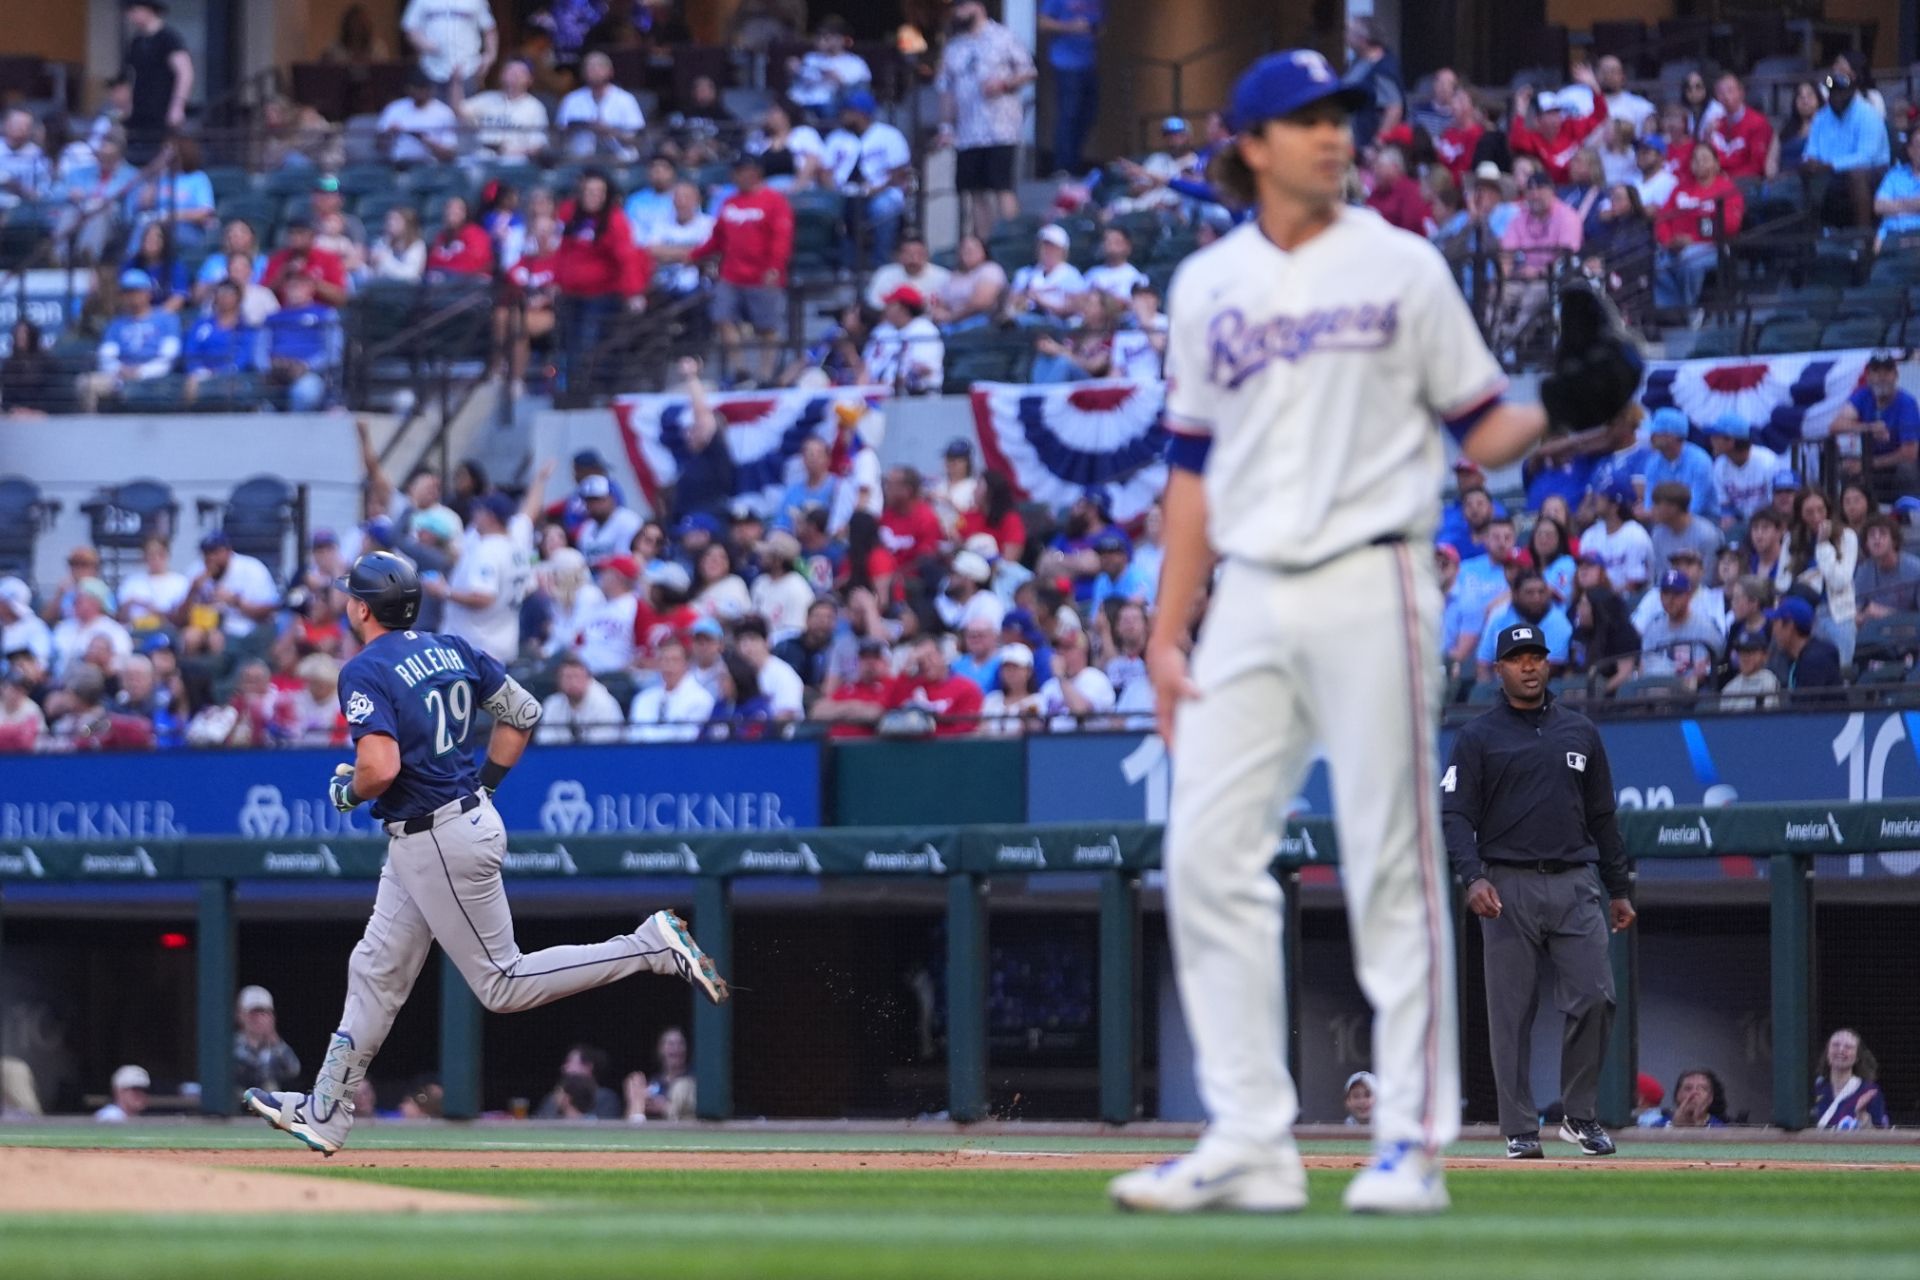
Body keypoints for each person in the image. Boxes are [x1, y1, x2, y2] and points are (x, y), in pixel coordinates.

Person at [1109, 50, 1552, 1219]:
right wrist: (1167, 635)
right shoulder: (1205, 281)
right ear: (1251, 145)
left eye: (1342, 117)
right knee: (1202, 851)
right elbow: (1191, 471)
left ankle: (1409, 1142)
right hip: (1248, 586)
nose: (1334, 136)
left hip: (1375, 573)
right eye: (1306, 119)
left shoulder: (1404, 263)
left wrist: (1572, 400)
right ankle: (1250, 1136)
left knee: (1392, 859)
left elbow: (1484, 424)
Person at [244, 552, 728, 1156]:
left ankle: (648, 947)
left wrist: (348, 788)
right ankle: (326, 1108)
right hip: (437, 828)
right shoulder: (452, 647)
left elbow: (379, 767)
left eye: (351, 595)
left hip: (437, 835)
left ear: (362, 608)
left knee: (503, 983)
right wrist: (485, 787)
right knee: (374, 971)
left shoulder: (365, 668)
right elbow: (523, 713)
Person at [1444, 623, 1634, 1159]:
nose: (1529, 666)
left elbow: (1602, 815)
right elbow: (1456, 814)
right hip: (1506, 884)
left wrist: (1617, 887)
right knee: (1510, 1014)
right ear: (1499, 669)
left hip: (1576, 880)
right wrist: (1473, 875)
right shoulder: (1478, 736)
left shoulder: (1580, 731)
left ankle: (1579, 1116)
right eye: (1517, 658)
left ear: (1549, 665)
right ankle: (1519, 1128)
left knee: (1596, 995)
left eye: (1537, 657)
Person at [936, 0, 1036, 240]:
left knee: (1002, 186)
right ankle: (986, 245)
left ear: (977, 6)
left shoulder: (1003, 37)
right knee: (975, 190)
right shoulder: (954, 47)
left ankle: (1013, 241)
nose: (958, 13)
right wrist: (946, 126)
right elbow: (946, 89)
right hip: (968, 133)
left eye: (962, 7)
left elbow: (1029, 71)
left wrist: (1004, 84)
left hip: (1000, 128)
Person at [692, 154, 793, 388]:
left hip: (763, 275)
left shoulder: (774, 201)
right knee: (722, 317)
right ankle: (740, 370)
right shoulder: (730, 203)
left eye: (744, 171)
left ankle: (766, 374)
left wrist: (775, 267)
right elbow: (717, 239)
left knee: (766, 327)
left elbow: (782, 237)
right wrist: (694, 256)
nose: (739, 176)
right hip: (731, 274)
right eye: (736, 172)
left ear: (755, 172)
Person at [1653, 145, 1742, 314]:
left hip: (1713, 248)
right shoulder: (1681, 189)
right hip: (1675, 246)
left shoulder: (1727, 189)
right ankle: (1678, 309)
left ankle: (1689, 310)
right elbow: (1662, 219)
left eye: (1705, 158)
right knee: (1654, 263)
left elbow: (1730, 225)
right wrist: (1669, 241)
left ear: (1716, 164)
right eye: (1695, 159)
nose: (1699, 162)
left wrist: (1693, 240)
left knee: (1689, 260)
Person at [77, 269, 182, 412]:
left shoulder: (166, 319)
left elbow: (169, 355)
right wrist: (119, 370)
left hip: (155, 378)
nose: (131, 297)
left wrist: (141, 372)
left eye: (136, 291)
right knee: (86, 383)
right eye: (126, 292)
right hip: (120, 377)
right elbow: (106, 355)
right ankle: (92, 429)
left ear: (148, 293)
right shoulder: (116, 324)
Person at [1803, 74, 1890, 229]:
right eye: (1832, 92)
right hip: (1829, 172)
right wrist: (1810, 161)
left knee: (1856, 175)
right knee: (1802, 170)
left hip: (1872, 172)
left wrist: (1831, 165)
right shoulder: (1821, 117)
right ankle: (1811, 238)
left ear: (1852, 92)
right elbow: (1811, 151)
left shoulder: (1868, 114)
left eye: (1841, 92)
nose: (1835, 96)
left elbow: (1866, 157)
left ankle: (1863, 238)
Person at [1829, 352, 1920, 501]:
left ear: (1895, 375)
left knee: (1906, 468)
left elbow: (1909, 453)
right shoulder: (1863, 396)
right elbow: (1835, 425)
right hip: (1873, 463)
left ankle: (1910, 513)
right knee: (1847, 468)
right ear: (1869, 376)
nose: (1881, 377)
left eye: (1887, 371)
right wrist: (1868, 427)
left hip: (1897, 465)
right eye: (1876, 371)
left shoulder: (1907, 403)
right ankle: (1854, 515)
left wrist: (1867, 464)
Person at [120, 2, 192, 166]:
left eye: (134, 10)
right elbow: (132, 76)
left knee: (160, 157)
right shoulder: (137, 41)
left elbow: (185, 72)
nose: (131, 16)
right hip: (140, 113)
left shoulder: (168, 38)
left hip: (162, 111)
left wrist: (178, 106)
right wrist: (127, 106)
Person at [1038, 0, 1102, 176]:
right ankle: (1063, 166)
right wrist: (1070, 27)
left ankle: (1075, 161)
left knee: (1088, 114)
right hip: (1065, 63)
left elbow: (1098, 26)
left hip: (1089, 62)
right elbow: (1043, 22)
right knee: (1069, 114)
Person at [556, 51, 647, 162]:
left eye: (599, 67)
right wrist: (581, 127)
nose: (595, 71)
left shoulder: (625, 99)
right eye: (590, 68)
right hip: (580, 160)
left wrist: (609, 131)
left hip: (620, 160)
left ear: (610, 72)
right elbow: (558, 135)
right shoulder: (571, 100)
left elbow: (638, 140)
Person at [629, 636, 717, 742]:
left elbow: (687, 739)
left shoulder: (701, 700)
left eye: (675, 660)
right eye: (664, 660)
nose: (668, 666)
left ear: (686, 664)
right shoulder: (643, 699)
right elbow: (632, 737)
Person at [861, 286, 944, 394]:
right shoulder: (881, 331)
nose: (886, 307)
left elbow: (923, 370)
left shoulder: (925, 330)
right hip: (876, 393)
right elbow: (865, 367)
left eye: (891, 304)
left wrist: (890, 386)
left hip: (917, 396)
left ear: (903, 308)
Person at [1813, 1027, 1890, 1130]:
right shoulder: (1814, 1088)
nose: (1841, 1050)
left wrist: (1862, 1116)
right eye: (1835, 1045)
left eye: (1848, 1047)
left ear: (1857, 1056)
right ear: (1827, 1052)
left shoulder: (1870, 1091)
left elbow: (1883, 1139)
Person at [379, 69, 461, 165]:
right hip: (399, 166)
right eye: (416, 87)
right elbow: (379, 147)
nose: (420, 92)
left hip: (431, 167)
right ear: (408, 88)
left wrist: (426, 140)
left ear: (431, 89)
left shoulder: (444, 112)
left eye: (423, 88)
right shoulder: (394, 108)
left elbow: (450, 155)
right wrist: (389, 133)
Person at [232, 985, 301, 1097]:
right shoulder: (231, 1045)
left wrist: (275, 1041)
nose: (259, 1019)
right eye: (253, 1014)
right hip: (237, 1106)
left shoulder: (277, 1048)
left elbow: (293, 1070)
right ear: (240, 1015)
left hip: (268, 1107)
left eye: (264, 1014)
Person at [1767, 595, 1842, 696]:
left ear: (1789, 627)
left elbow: (1807, 708)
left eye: (1776, 623)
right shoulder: (1797, 658)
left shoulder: (1815, 660)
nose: (1773, 630)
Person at [1856, 515, 1920, 620]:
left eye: (1883, 533)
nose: (1877, 539)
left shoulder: (1916, 570)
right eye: (1872, 535)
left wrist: (1886, 614)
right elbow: (1856, 614)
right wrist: (1862, 617)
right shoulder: (1863, 571)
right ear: (1866, 544)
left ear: (1894, 541)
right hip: (1875, 632)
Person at [864, 236, 952, 313]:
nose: (914, 259)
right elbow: (873, 303)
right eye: (909, 254)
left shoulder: (943, 276)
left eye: (919, 254)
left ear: (927, 255)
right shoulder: (884, 274)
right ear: (899, 256)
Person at [1873, 128, 1920, 245]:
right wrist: (1915, 205)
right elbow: (1879, 206)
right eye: (1919, 145)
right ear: (1910, 150)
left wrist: (1896, 205)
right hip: (1891, 237)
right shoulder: (1894, 175)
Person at [1718, 631, 1781, 711]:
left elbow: (1766, 718)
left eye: (1750, 652)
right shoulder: (1730, 687)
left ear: (1764, 656)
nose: (1745, 657)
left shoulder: (1769, 681)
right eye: (1742, 652)